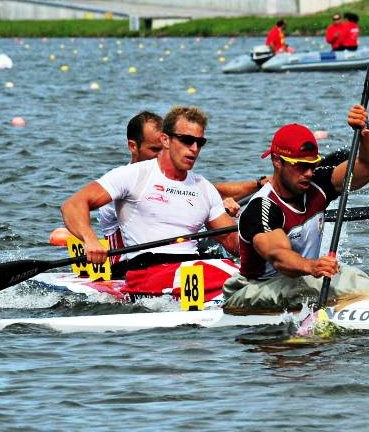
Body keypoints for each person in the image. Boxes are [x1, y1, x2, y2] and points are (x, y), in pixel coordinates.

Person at [61, 106, 242, 299]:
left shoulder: (204, 187)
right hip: (145, 271)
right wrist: (90, 239)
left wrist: (261, 227)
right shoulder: (133, 175)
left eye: (200, 142)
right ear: (165, 139)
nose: (194, 149)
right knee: (235, 279)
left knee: (251, 274)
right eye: (187, 140)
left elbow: (234, 243)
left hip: (190, 269)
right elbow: (73, 204)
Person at [222, 105, 369, 314]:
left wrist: (365, 131)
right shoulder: (262, 207)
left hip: (300, 281)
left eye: (312, 165)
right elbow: (279, 255)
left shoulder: (317, 184)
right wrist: (313, 266)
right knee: (318, 283)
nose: (309, 173)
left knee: (350, 275)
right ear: (277, 161)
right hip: (251, 292)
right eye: (300, 165)